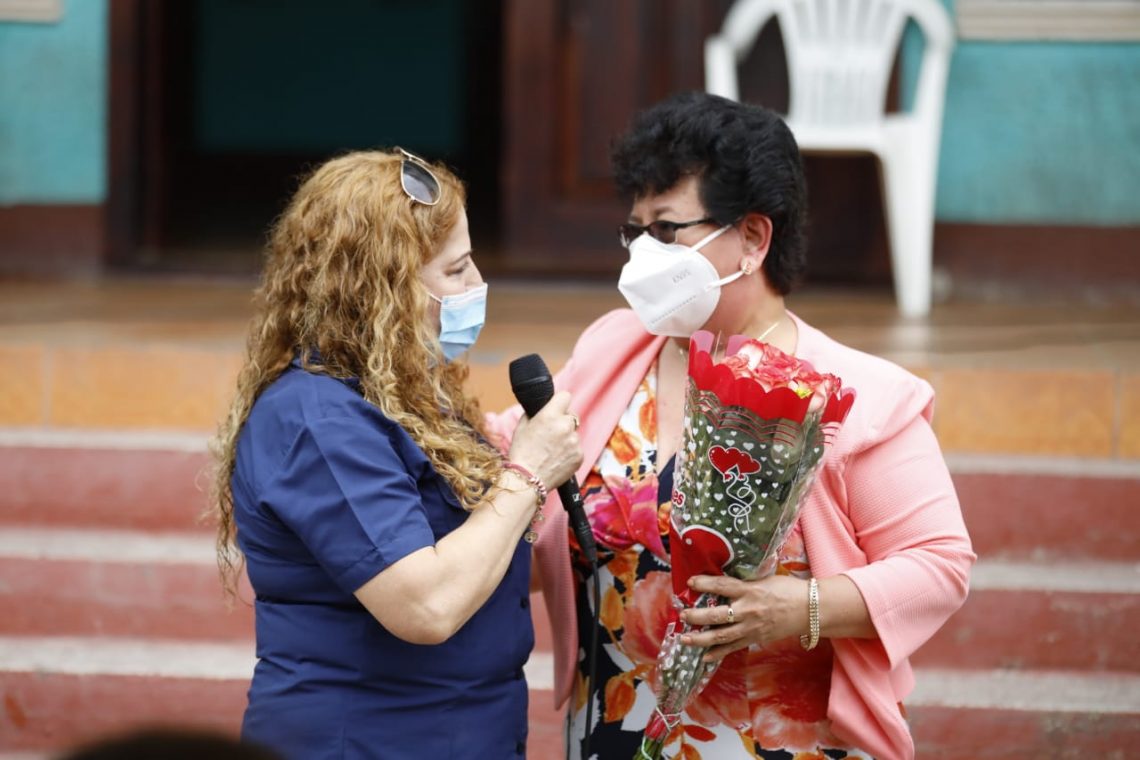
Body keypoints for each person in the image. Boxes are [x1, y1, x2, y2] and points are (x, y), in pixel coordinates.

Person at [488, 92, 975, 760]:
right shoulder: (614, 349)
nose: (643, 254)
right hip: (613, 727)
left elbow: (939, 564)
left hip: (777, 742)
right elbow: (506, 449)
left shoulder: (857, 397)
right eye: (635, 231)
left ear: (752, 238)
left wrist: (801, 608)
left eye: (666, 231)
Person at [209, 149, 583, 759]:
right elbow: (426, 605)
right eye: (456, 270)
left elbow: (481, 559)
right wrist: (528, 473)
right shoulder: (317, 418)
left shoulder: (405, 392)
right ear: (381, 288)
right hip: (363, 740)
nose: (478, 285)